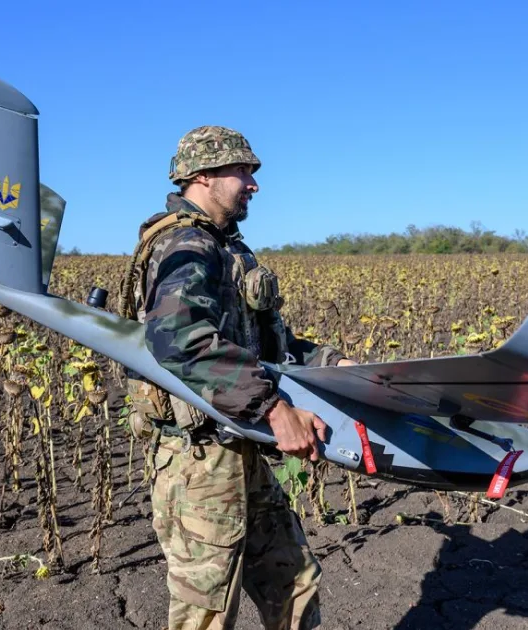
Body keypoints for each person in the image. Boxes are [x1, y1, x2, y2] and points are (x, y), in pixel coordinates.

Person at [119, 125, 355, 630]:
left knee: (292, 581)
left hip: (241, 446)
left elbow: (273, 345)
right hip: (200, 460)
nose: (253, 183)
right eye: (242, 170)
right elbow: (180, 337)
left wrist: (336, 367)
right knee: (207, 611)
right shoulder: (184, 245)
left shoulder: (228, 250)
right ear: (203, 175)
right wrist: (273, 408)